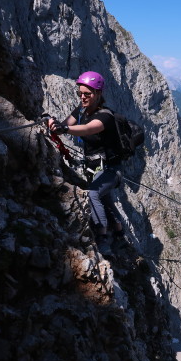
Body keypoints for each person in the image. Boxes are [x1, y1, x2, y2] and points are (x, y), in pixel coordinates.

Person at [48, 71, 124, 257]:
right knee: (104, 199)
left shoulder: (106, 116)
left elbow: (89, 128)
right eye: (80, 93)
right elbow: (65, 125)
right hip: (94, 166)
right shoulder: (81, 110)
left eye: (87, 94)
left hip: (111, 169)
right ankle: (120, 231)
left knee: (93, 194)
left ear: (98, 94)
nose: (82, 97)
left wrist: (65, 128)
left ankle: (102, 236)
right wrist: (52, 123)